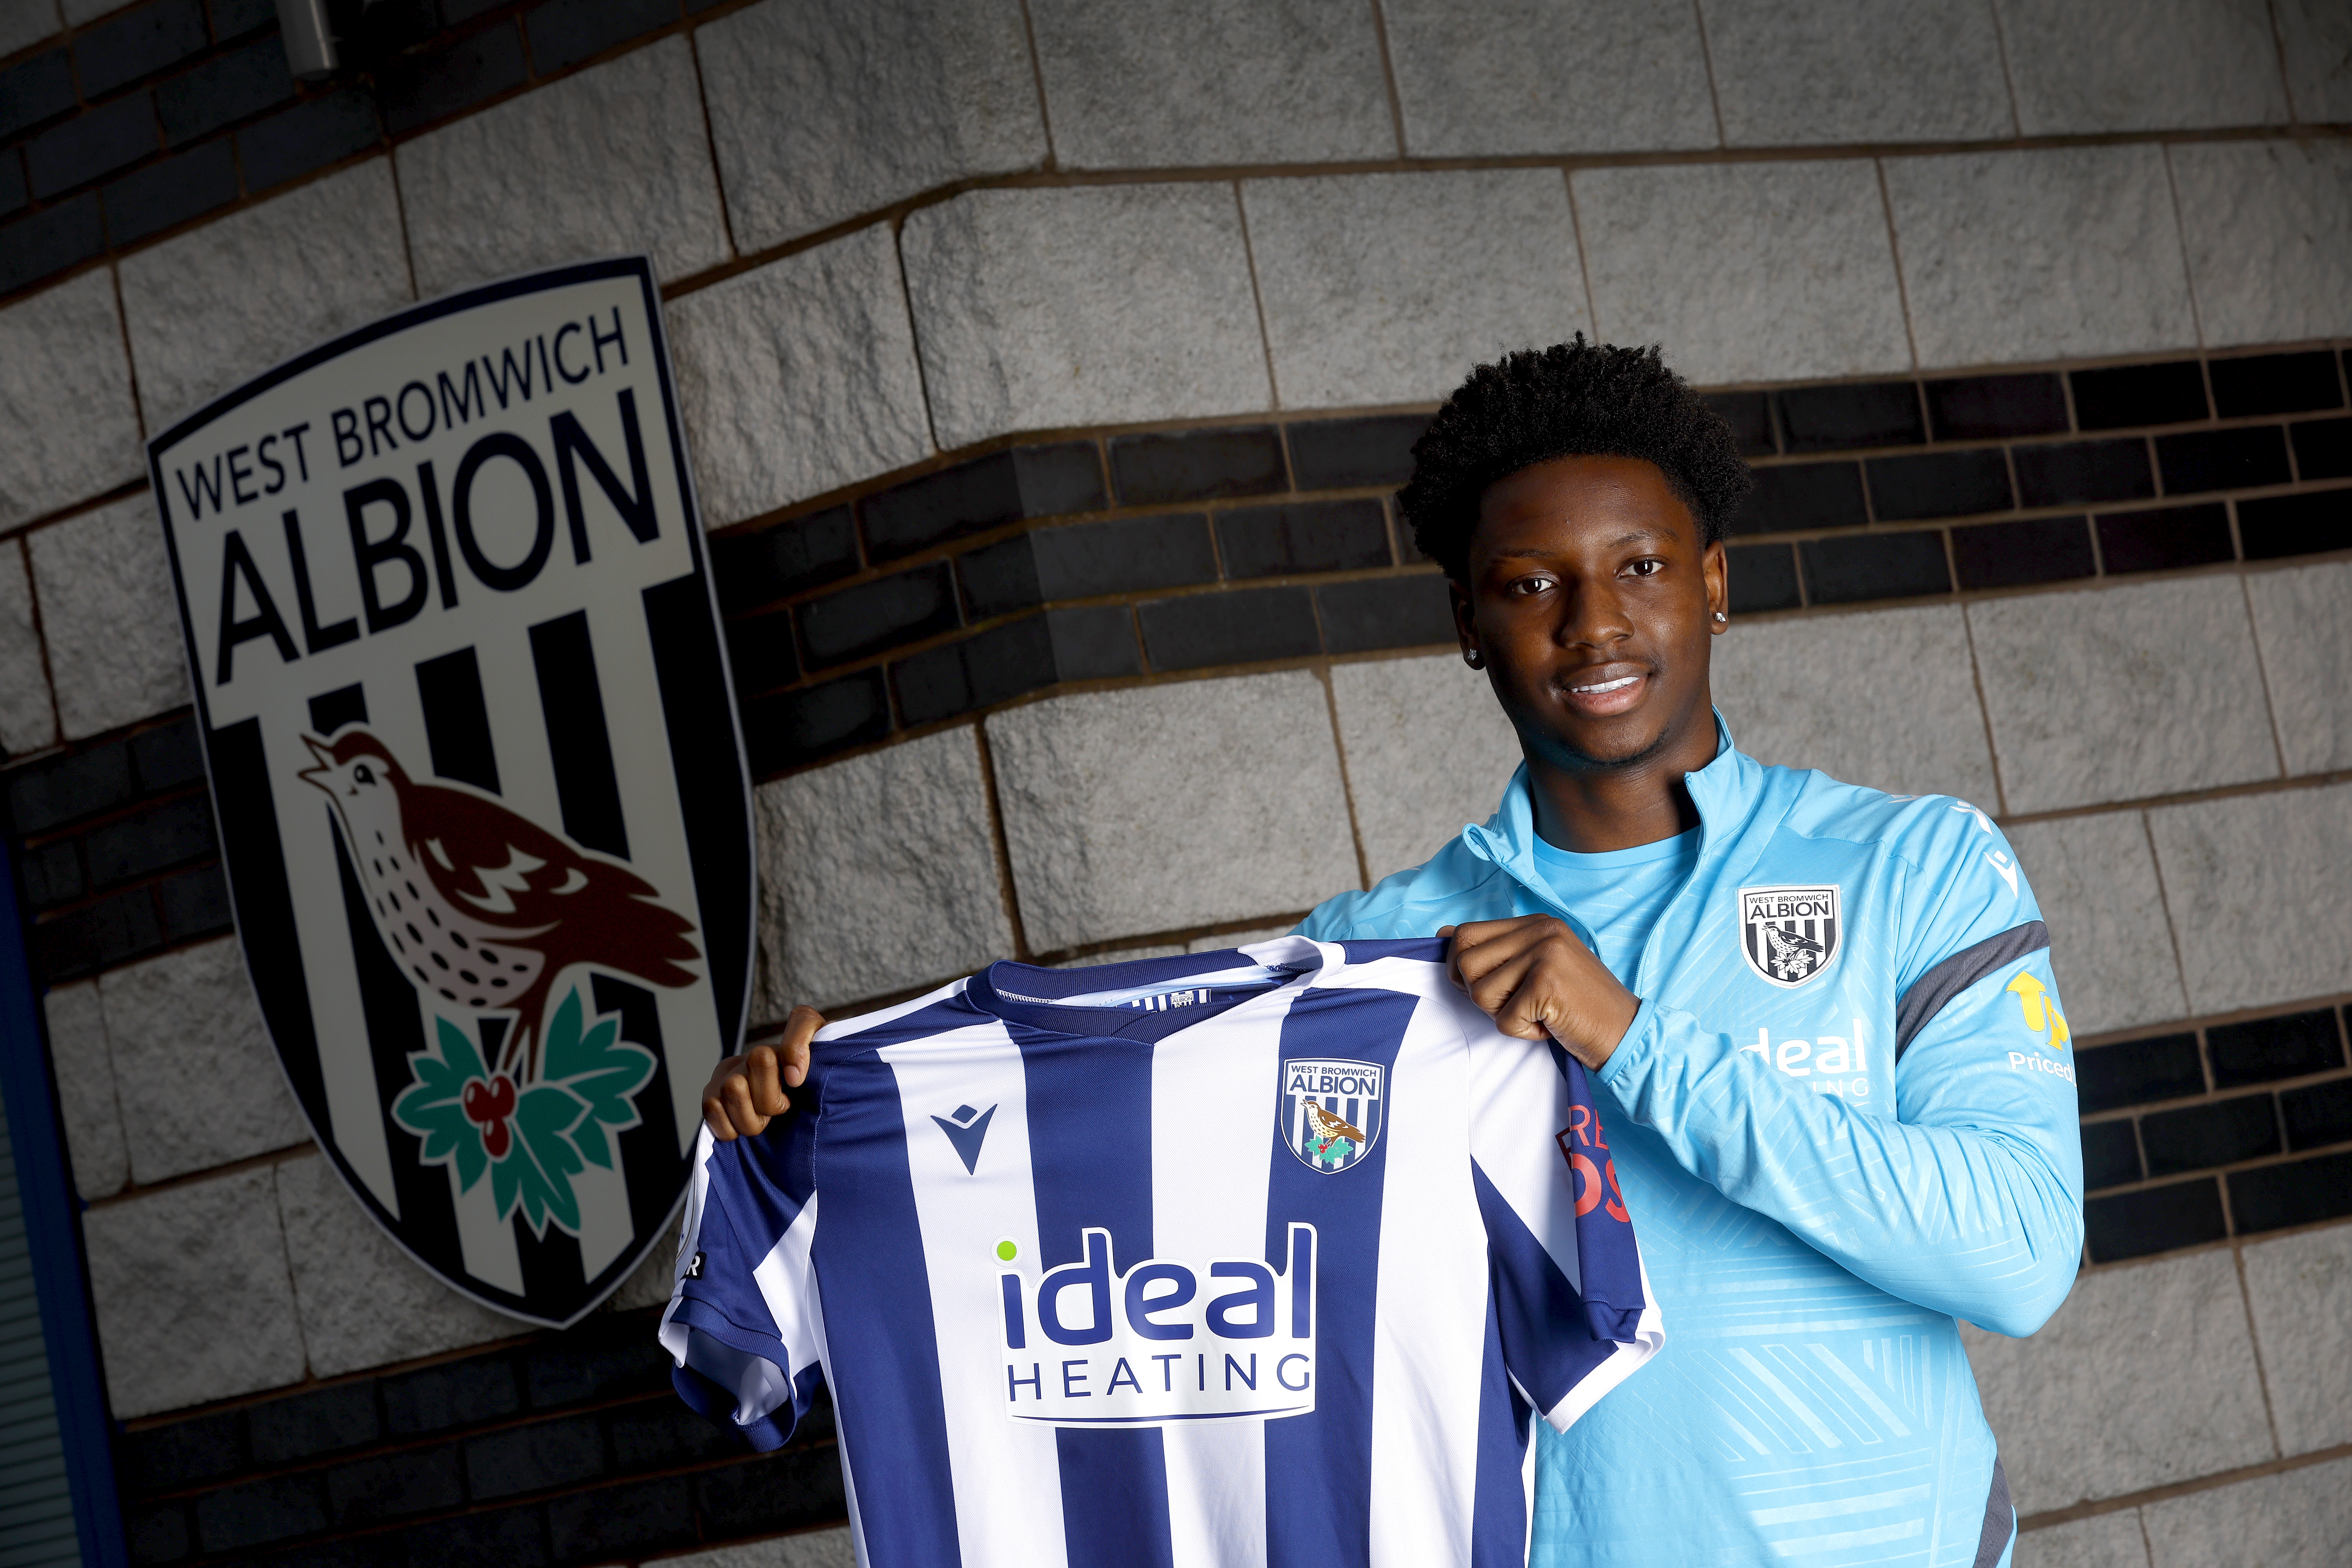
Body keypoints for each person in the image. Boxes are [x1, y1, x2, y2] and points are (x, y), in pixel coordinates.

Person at [704, 339, 2084, 1568]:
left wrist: (1635, 1037)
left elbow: (2018, 1254)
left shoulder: (1917, 866)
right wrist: (829, 1115)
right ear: (1466, 628)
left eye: (1642, 568)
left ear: (1715, 586)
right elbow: (1145, 1215)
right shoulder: (1368, 960)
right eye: (1531, 583)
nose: (1594, 623)